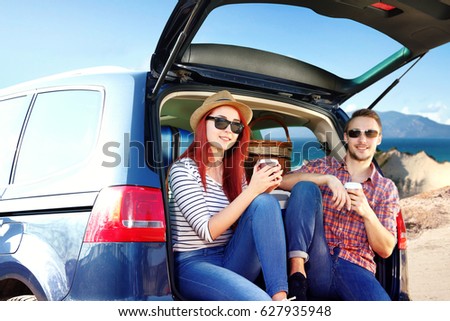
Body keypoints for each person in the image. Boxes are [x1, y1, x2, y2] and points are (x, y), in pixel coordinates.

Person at [168, 90, 289, 301]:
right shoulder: (183, 169)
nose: (229, 131)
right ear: (203, 125)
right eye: (221, 122)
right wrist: (252, 190)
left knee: (265, 203)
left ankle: (280, 297)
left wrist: (262, 189)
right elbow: (207, 231)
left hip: (231, 255)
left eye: (236, 126)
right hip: (192, 263)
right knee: (259, 303)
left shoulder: (235, 172)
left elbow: (243, 216)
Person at [280, 108, 400, 301]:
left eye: (370, 133)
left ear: (379, 139)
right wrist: (326, 179)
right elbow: (281, 181)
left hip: (356, 268)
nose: (362, 140)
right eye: (355, 133)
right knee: (305, 187)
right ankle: (297, 274)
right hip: (315, 259)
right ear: (346, 137)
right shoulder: (322, 166)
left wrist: (367, 212)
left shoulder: (386, 188)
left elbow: (385, 249)